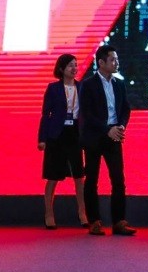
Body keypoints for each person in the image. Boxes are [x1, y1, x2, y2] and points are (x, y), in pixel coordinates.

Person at [80, 45, 134, 236]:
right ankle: (94, 221)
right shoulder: (88, 84)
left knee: (118, 179)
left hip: (114, 136)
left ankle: (119, 221)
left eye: (117, 59)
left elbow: (125, 108)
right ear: (101, 62)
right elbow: (87, 114)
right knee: (92, 180)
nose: (116, 62)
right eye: (112, 59)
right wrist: (107, 129)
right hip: (95, 137)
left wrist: (121, 126)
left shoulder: (119, 83)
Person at [37, 53, 89, 229]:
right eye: (70, 65)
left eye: (76, 65)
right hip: (57, 135)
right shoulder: (53, 88)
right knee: (53, 177)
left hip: (74, 134)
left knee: (79, 176)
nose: (74, 68)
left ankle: (82, 212)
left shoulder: (82, 87)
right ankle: (49, 213)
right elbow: (46, 115)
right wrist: (42, 138)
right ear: (61, 69)